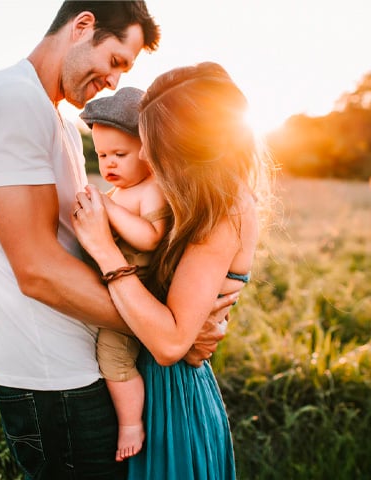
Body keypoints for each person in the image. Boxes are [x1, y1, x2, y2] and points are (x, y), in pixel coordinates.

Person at [0, 2, 235, 478]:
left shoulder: (58, 119)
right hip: (56, 379)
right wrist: (166, 334)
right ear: (83, 26)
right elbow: (38, 270)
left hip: (85, 366)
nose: (115, 81)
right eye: (116, 62)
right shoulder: (11, 99)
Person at [72, 62, 272, 480]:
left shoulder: (224, 211)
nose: (143, 154)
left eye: (152, 143)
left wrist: (105, 251)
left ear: (189, 146)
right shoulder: (194, 200)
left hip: (172, 399)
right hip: (154, 384)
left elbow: (169, 343)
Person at [79, 86, 170, 462]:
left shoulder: (152, 190)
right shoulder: (121, 192)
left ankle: (131, 422)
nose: (109, 164)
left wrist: (108, 209)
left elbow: (150, 238)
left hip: (138, 296)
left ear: (148, 153)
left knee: (112, 357)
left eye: (120, 154)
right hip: (114, 289)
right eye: (102, 155)